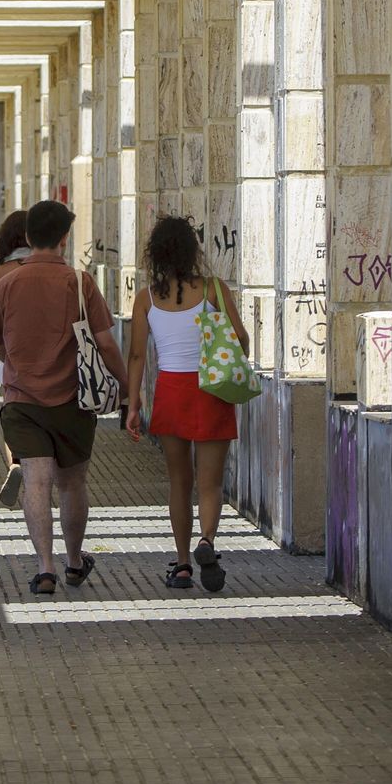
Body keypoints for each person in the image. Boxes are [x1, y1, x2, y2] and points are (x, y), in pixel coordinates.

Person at [0, 200, 129, 595]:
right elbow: (106, 344)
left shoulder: (7, 283)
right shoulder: (80, 283)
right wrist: (126, 387)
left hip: (21, 401)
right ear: (65, 238)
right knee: (72, 483)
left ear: (29, 237)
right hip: (73, 401)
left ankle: (45, 568)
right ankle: (75, 562)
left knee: (35, 481)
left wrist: (18, 365)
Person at [124, 215, 248, 592]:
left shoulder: (146, 299)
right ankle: (207, 541)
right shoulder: (213, 290)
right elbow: (241, 340)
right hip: (211, 389)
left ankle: (181, 566)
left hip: (171, 391)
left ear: (155, 255)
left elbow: (136, 355)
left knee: (180, 482)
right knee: (210, 483)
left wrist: (134, 404)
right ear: (193, 251)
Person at [0, 210, 32, 508]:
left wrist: (4, 356)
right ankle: (40, 468)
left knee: (12, 413)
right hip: (49, 355)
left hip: (12, 353)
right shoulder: (54, 269)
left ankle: (15, 463)